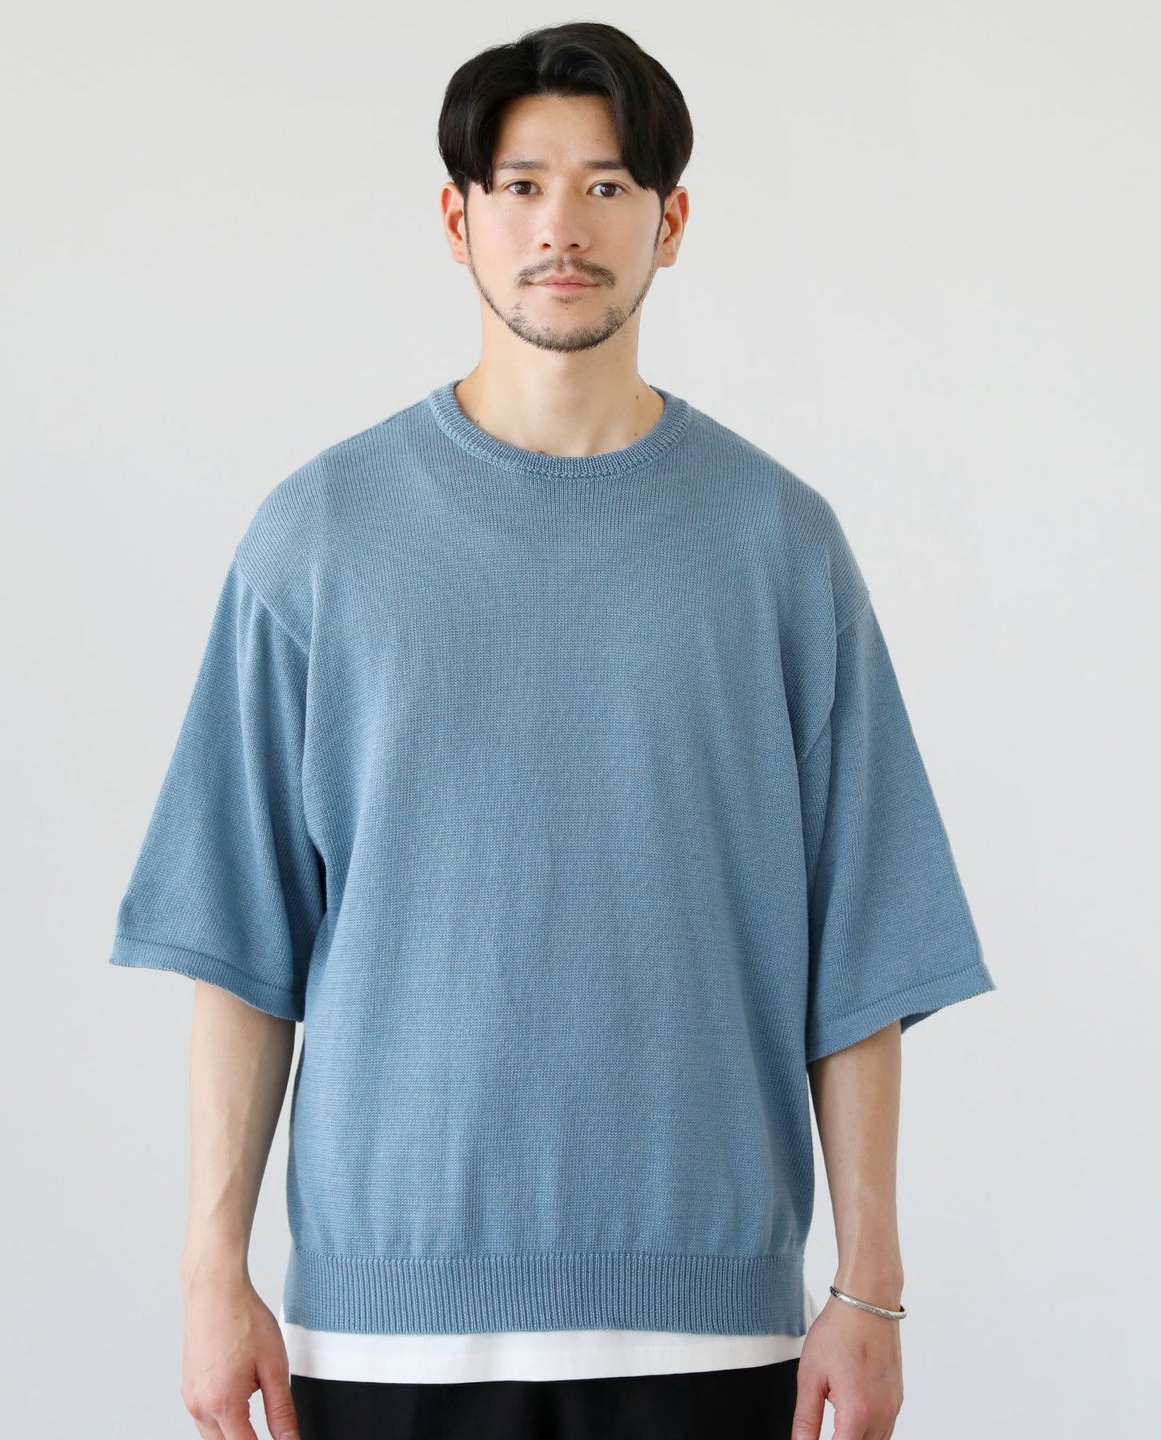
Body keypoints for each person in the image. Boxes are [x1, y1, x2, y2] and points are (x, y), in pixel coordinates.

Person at [108, 19, 996, 1440]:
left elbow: (865, 951)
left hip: (710, 1328)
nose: (560, 227)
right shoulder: (319, 539)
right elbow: (239, 937)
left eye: (606, 186)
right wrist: (212, 1269)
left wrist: (870, 1289)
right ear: (455, 216)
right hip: (384, 1330)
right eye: (521, 185)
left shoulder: (778, 545)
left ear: (670, 223)